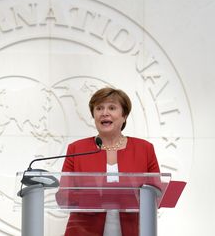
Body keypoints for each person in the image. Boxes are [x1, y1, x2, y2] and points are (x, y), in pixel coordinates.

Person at [60, 87, 160, 236]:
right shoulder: (76, 149)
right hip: (83, 231)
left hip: (134, 230)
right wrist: (101, 195)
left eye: (112, 108)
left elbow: (156, 194)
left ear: (124, 115)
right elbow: (64, 195)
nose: (104, 113)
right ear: (93, 115)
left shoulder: (145, 149)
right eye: (99, 108)